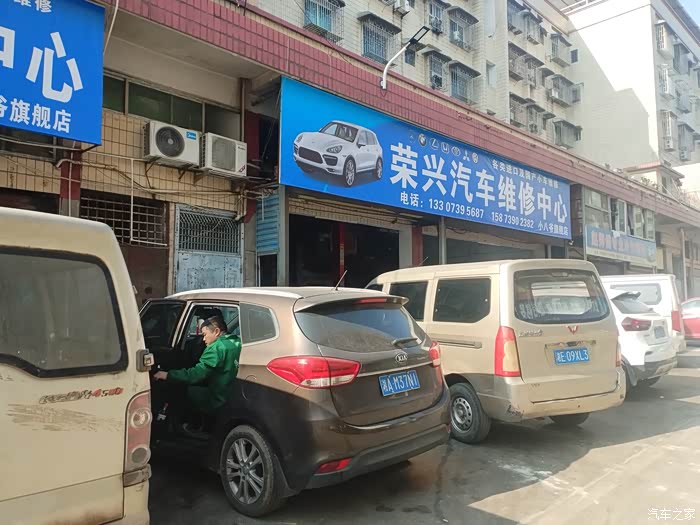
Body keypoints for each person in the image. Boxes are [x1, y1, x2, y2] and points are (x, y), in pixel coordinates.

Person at [153, 316, 242, 419]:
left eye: (204, 334)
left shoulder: (216, 348)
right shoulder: (236, 342)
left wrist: (167, 375)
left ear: (216, 331)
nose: (203, 339)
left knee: (182, 390)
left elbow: (196, 375)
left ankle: (185, 422)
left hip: (216, 398)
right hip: (230, 394)